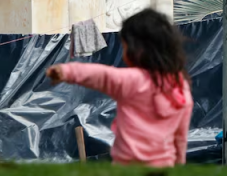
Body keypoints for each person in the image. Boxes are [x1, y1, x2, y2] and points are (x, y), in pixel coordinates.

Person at [46, 9, 192, 166]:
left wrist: (65, 71)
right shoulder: (180, 87)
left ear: (138, 50)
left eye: (125, 47)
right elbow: (180, 138)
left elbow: (100, 75)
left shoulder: (133, 80)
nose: (123, 53)